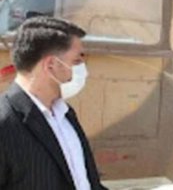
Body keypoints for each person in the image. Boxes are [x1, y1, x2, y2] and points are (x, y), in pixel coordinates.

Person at [0, 16, 107, 190]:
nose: (83, 70)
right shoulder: (5, 121)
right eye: (76, 61)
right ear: (51, 65)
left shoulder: (65, 114)